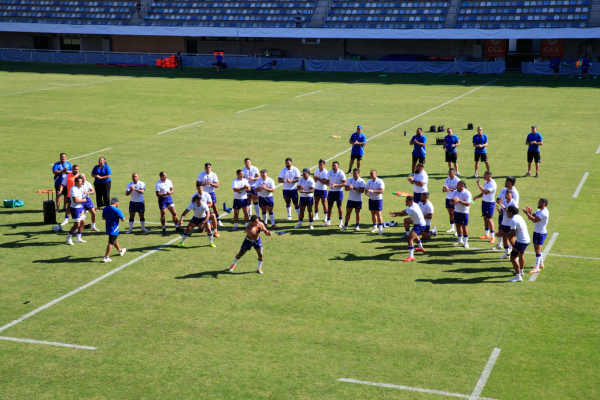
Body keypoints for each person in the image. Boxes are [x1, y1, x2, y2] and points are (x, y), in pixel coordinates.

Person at [389, 196, 426, 262]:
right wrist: (397, 213)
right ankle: (421, 248)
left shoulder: (412, 208)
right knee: (414, 236)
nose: (405, 202)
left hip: (419, 225)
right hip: (419, 223)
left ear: (411, 202)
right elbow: (405, 211)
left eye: (407, 201)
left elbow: (403, 214)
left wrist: (395, 214)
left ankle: (411, 256)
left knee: (409, 238)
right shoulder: (415, 204)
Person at [523, 198, 550, 274]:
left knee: (537, 249)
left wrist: (528, 214)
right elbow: (531, 217)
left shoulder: (544, 212)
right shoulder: (539, 211)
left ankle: (537, 267)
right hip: (537, 232)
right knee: (537, 249)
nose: (538, 203)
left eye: (540, 202)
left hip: (541, 233)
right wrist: (528, 212)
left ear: (544, 203)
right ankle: (541, 264)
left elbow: (534, 220)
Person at [492, 176, 519, 249]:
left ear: (511, 183)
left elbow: (515, 208)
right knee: (500, 228)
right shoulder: (503, 190)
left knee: (510, 233)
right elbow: (498, 199)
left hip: (510, 215)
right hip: (503, 213)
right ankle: (499, 244)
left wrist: (505, 208)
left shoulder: (515, 193)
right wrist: (499, 202)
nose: (505, 182)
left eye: (507, 181)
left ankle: (511, 248)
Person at [506, 206, 531, 282]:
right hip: (526, 239)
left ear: (511, 212)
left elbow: (512, 234)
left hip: (521, 241)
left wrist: (502, 234)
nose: (506, 213)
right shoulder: (519, 216)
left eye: (507, 211)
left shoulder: (513, 220)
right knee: (521, 255)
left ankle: (518, 277)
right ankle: (521, 271)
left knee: (513, 258)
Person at [472, 171, 497, 243]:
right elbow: (483, 193)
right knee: (485, 218)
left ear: (489, 176)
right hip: (484, 202)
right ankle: (486, 234)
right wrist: (477, 196)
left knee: (490, 219)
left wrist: (479, 185)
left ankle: (492, 236)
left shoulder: (493, 184)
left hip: (490, 203)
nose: (484, 176)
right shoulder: (486, 182)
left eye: (485, 175)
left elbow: (486, 192)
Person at [197, 163, 222, 227]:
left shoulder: (213, 175)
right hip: (203, 193)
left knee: (214, 206)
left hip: (211, 192)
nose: (208, 169)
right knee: (203, 206)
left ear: (211, 168)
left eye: (209, 167)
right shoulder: (201, 174)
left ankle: (218, 219)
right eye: (207, 167)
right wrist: (203, 184)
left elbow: (217, 185)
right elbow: (197, 183)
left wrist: (211, 184)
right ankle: (204, 219)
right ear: (204, 168)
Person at [102, 197, 127, 262]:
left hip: (108, 227)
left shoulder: (105, 208)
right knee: (111, 242)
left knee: (115, 240)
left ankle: (120, 251)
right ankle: (106, 257)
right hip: (114, 228)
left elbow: (103, 218)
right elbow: (123, 219)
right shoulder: (117, 210)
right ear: (116, 203)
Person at [495, 190, 517, 259]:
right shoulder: (504, 202)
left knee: (511, 239)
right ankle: (507, 253)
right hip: (504, 223)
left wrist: (503, 207)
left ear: (512, 195)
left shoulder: (514, 203)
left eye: (508, 194)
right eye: (506, 194)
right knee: (504, 238)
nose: (506, 195)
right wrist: (500, 211)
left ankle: (516, 254)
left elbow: (513, 213)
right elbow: (502, 213)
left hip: (511, 223)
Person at [324, 161, 346, 228]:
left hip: (339, 192)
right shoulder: (329, 172)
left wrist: (336, 185)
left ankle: (340, 221)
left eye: (335, 165)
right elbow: (326, 182)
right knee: (330, 206)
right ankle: (328, 221)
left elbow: (345, 183)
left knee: (339, 207)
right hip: (331, 192)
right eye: (333, 165)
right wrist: (329, 185)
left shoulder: (341, 173)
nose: (334, 167)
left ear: (338, 166)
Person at [66, 176, 87, 245]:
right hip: (75, 209)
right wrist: (83, 200)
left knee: (83, 222)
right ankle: (68, 238)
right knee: (76, 225)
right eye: (79, 182)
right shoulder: (73, 189)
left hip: (80, 208)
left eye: (81, 181)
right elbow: (75, 200)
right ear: (76, 182)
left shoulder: (79, 188)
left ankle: (78, 238)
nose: (81, 183)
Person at [451, 180, 472, 249]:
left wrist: (459, 201)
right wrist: (453, 202)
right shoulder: (454, 192)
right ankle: (460, 240)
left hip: (464, 212)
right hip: (456, 211)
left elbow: (468, 204)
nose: (456, 186)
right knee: (457, 226)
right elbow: (450, 201)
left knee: (464, 227)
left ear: (462, 185)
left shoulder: (467, 193)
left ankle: (466, 242)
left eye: (458, 185)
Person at [365, 169, 385, 235]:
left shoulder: (380, 181)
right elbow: (366, 191)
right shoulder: (369, 182)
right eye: (370, 174)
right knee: (373, 214)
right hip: (371, 200)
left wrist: (373, 191)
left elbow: (382, 191)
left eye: (372, 174)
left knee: (378, 214)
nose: (371, 175)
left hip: (378, 200)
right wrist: (367, 193)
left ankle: (381, 229)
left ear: (376, 174)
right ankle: (374, 227)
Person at [443, 168, 460, 235]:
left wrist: (449, 189)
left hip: (454, 199)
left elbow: (458, 190)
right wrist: (445, 189)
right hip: (448, 198)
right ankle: (452, 228)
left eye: (450, 172)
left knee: (454, 214)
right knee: (450, 213)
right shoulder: (447, 179)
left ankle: (457, 230)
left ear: (453, 173)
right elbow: (443, 189)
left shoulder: (457, 180)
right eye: (448, 172)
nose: (448, 174)